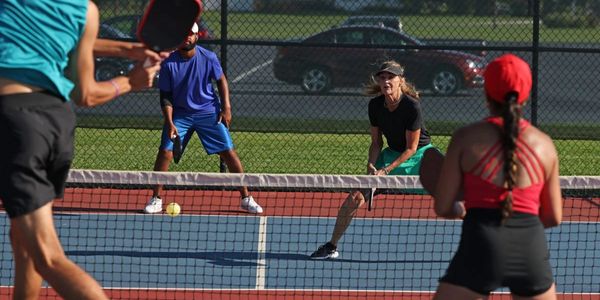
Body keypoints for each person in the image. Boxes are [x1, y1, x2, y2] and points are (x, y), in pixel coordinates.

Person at [0, 1, 162, 299]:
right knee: (23, 241)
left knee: (48, 257)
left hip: (15, 120)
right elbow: (85, 94)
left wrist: (130, 74)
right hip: (56, 122)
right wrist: (130, 70)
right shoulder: (85, 11)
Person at [432, 54, 563, 299]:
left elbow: (442, 206)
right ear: (526, 93)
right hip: (531, 247)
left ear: (486, 92)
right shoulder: (545, 145)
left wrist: (462, 211)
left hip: (481, 243)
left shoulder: (465, 138)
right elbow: (553, 216)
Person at [310, 60, 433, 259]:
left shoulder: (412, 106)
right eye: (382, 77)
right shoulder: (375, 105)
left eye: (390, 77)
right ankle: (331, 246)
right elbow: (376, 143)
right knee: (355, 197)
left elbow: (411, 148)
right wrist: (372, 164)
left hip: (421, 155)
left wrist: (386, 170)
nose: (386, 81)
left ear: (400, 80)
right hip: (392, 154)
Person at [143, 22, 263, 215]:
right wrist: (170, 122)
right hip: (180, 114)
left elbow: (221, 80)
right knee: (165, 153)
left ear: (197, 37)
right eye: (184, 34)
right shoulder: (168, 64)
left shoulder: (209, 57)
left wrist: (227, 108)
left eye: (191, 34)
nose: (187, 38)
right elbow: (165, 96)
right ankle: (155, 199)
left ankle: (246, 198)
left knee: (228, 152)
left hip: (209, 112)